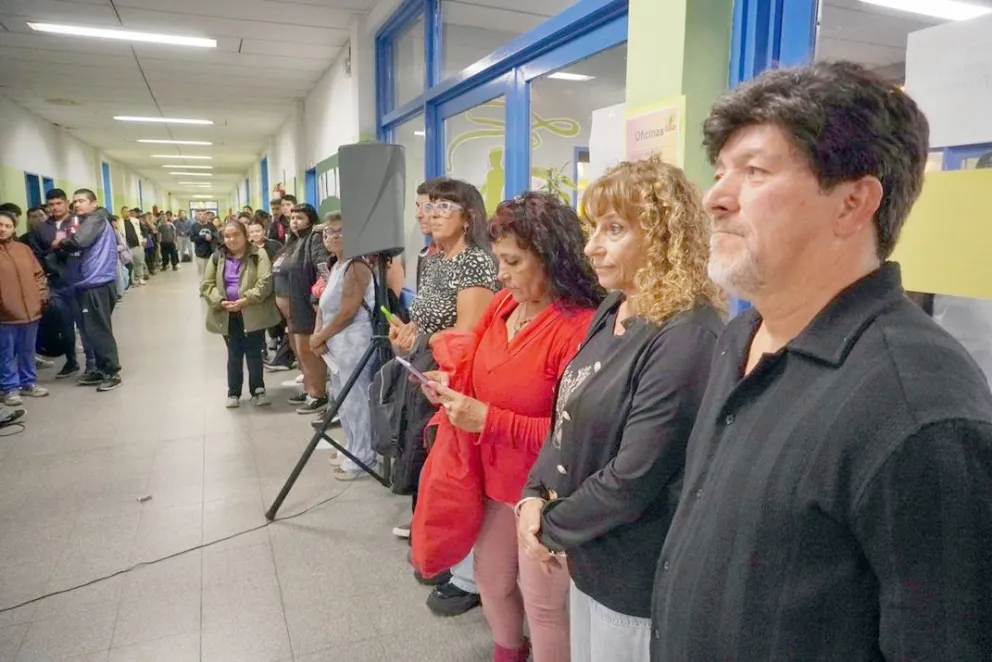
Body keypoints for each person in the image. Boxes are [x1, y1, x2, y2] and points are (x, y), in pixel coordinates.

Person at [651, 61, 992, 661]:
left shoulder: (919, 411)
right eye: (721, 170)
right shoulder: (741, 337)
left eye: (754, 171)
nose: (714, 198)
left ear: (853, 203)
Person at [516, 158, 724, 662]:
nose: (591, 247)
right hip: (588, 552)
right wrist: (532, 494)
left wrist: (548, 525)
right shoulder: (615, 305)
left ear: (662, 237)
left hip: (633, 574)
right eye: (593, 229)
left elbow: (635, 476)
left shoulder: (686, 334)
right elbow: (566, 412)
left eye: (614, 229)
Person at [417, 192, 602, 661]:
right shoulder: (503, 306)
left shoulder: (578, 329)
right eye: (500, 260)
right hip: (495, 482)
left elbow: (577, 439)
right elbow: (472, 365)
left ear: (551, 258)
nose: (501, 273)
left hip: (547, 495)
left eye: (513, 262)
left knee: (543, 605)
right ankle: (507, 650)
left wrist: (488, 419)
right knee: (491, 580)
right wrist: (446, 383)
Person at [309, 215, 378, 479]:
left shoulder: (356, 266)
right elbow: (326, 306)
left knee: (356, 400)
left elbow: (348, 312)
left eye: (341, 231)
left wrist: (320, 336)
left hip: (354, 343)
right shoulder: (336, 265)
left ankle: (363, 457)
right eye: (329, 232)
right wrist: (319, 334)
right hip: (337, 343)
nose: (334, 236)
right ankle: (352, 447)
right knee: (343, 400)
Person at [201, 220, 280, 408]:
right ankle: (233, 392)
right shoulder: (217, 257)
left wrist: (246, 299)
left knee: (254, 351)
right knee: (234, 352)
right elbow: (206, 284)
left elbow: (265, 282)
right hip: (227, 313)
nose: (231, 239)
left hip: (252, 310)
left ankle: (258, 390)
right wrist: (219, 301)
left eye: (236, 234)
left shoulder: (258, 254)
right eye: (227, 236)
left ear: (245, 235)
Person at [55, 189, 122, 392]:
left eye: (82, 201)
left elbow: (78, 242)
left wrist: (60, 242)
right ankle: (100, 369)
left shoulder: (95, 219)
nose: (77, 205)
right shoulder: (89, 220)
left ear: (93, 203)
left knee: (98, 330)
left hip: (97, 284)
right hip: (89, 284)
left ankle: (111, 371)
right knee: (90, 330)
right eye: (74, 202)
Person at [283, 203, 330, 414]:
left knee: (310, 354)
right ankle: (309, 388)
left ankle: (318, 394)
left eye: (299, 218)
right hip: (295, 306)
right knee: (301, 353)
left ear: (310, 220)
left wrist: (315, 299)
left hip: (307, 305)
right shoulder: (295, 241)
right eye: (292, 218)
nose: (294, 222)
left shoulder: (315, 238)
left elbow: (322, 269)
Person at [0, 210, 50, 406]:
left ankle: (28, 383)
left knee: (28, 350)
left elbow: (38, 275)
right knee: (6, 353)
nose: (2, 229)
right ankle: (10, 388)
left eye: (7, 226)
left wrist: (38, 297)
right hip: (5, 315)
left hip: (31, 311)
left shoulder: (23, 249)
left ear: (14, 229)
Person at [191, 210, 220, 276]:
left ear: (206, 216)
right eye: (200, 214)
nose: (202, 216)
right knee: (204, 274)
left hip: (212, 252)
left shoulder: (211, 225)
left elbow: (216, 234)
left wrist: (211, 236)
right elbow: (192, 238)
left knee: (213, 273)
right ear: (197, 215)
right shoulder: (194, 226)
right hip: (201, 253)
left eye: (204, 214)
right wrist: (203, 237)